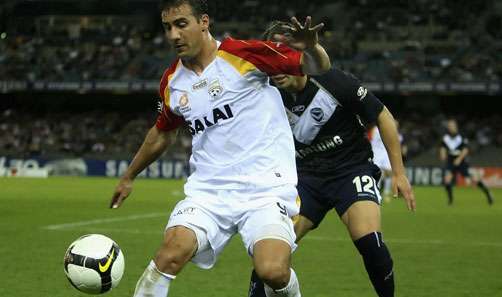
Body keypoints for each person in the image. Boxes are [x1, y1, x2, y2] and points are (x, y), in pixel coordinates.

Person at [108, 1, 330, 297]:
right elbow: (162, 132)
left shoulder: (242, 54)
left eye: (181, 24)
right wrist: (129, 176)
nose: (173, 35)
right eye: (167, 27)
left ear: (204, 22)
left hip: (265, 189)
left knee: (272, 272)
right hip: (209, 193)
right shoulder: (173, 82)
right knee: (168, 256)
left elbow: (317, 67)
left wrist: (312, 48)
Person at [248, 21, 415, 297]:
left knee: (369, 242)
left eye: (284, 53)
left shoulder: (334, 82)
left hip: (350, 171)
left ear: (298, 55)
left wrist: (398, 173)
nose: (276, 64)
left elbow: (382, 115)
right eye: (270, 56)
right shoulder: (265, 95)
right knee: (271, 256)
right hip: (304, 180)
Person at [440, 119, 493, 205]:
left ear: (455, 126)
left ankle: (488, 194)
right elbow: (442, 147)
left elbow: (465, 149)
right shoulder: (445, 137)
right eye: (449, 126)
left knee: (474, 179)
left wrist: (459, 159)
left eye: (452, 125)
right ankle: (450, 200)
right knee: (447, 180)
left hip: (461, 162)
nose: (450, 127)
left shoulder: (461, 136)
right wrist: (442, 155)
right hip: (450, 161)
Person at [369, 121, 405, 201]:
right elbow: (369, 139)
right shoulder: (375, 129)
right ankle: (375, 191)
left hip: (386, 154)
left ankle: (386, 191)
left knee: (388, 173)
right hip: (376, 153)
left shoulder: (396, 134)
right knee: (377, 173)